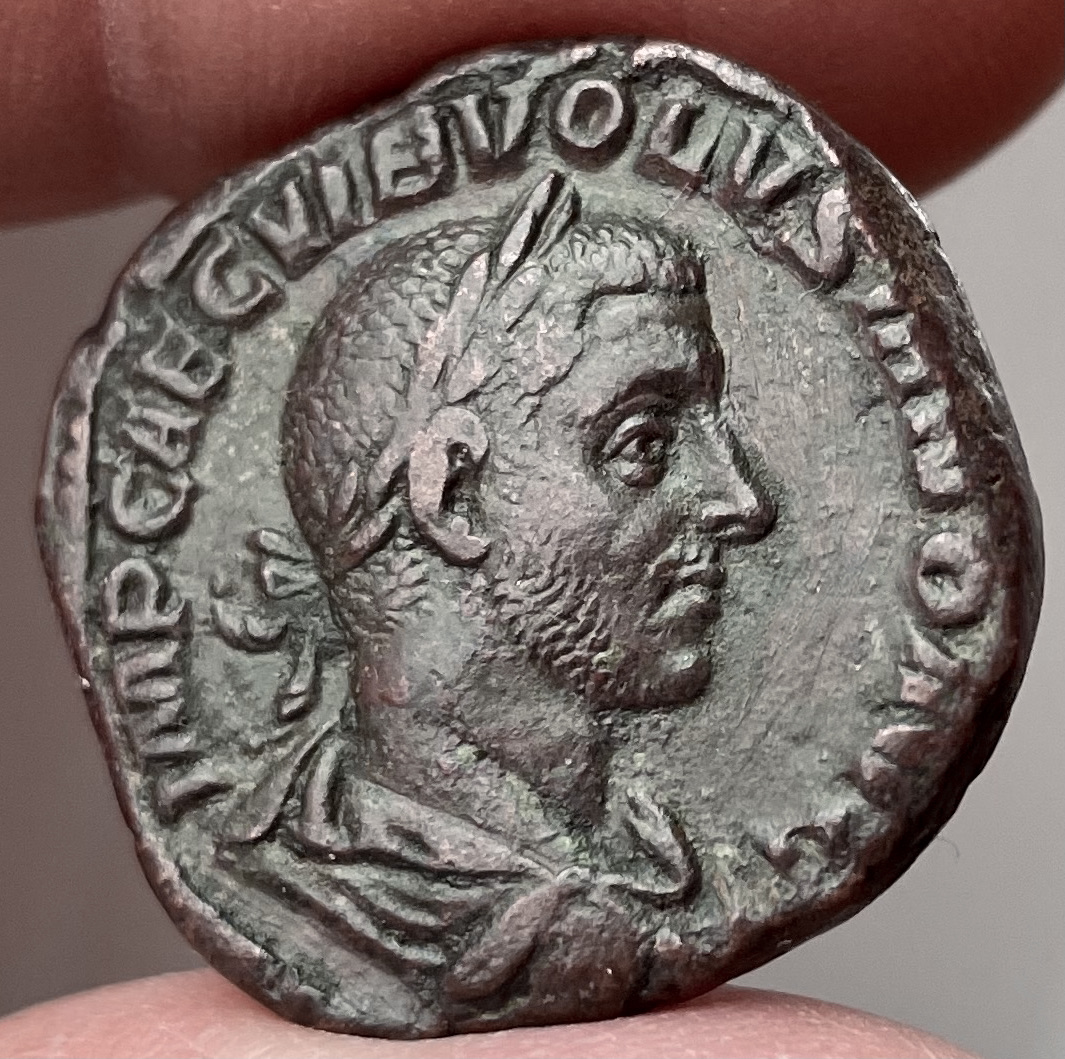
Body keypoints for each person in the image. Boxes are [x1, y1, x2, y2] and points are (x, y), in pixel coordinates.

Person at [1, 0, 1059, 1054]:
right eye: (645, 442)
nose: (743, 500)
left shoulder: (648, 858)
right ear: (451, 498)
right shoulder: (318, 891)